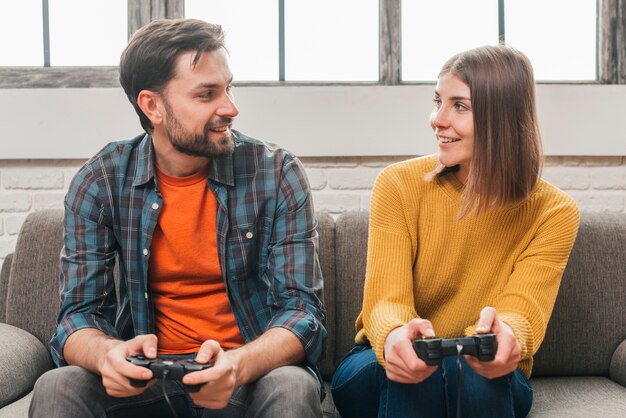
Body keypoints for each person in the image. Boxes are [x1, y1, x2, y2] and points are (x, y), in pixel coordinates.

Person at [29, 18, 326, 418]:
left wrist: (236, 366)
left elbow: (302, 311)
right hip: (145, 381)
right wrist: (107, 355)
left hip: (243, 375)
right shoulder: (100, 180)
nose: (231, 107)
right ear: (152, 106)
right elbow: (77, 314)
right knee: (58, 385)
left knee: (292, 385)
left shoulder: (275, 173)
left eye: (228, 87)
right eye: (207, 94)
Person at [330, 45, 580, 418]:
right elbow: (385, 301)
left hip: (487, 374)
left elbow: (522, 311)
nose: (437, 119)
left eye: (459, 106)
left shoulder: (554, 212)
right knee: (422, 366)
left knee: (469, 365)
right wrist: (396, 334)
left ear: (502, 118)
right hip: (381, 360)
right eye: (438, 102)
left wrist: (503, 337)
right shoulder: (397, 185)